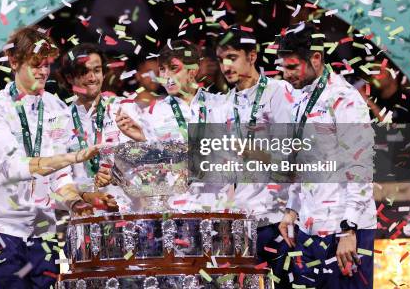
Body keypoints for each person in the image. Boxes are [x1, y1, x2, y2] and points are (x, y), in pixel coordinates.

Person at [0, 26, 101, 289]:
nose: (43, 72)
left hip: (43, 229)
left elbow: (60, 179)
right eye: (35, 65)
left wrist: (78, 203)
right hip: (2, 227)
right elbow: (15, 167)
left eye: (46, 65)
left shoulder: (57, 109)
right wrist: (73, 156)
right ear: (13, 61)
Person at [277, 22, 376, 289]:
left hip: (343, 230)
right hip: (310, 228)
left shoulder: (344, 98)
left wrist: (349, 228)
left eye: (292, 66)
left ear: (316, 58)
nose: (286, 75)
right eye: (282, 67)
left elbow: (361, 166)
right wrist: (291, 210)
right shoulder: (300, 98)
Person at [213, 26, 293, 288]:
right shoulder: (225, 104)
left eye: (232, 57)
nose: (226, 66)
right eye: (221, 59)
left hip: (279, 218)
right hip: (244, 222)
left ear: (252, 56)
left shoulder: (279, 92)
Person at [109, 40, 226, 211]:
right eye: (162, 70)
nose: (166, 76)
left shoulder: (222, 105)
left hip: (219, 207)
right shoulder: (153, 113)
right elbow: (153, 169)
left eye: (173, 68)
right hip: (176, 211)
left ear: (192, 70)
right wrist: (143, 139)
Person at [61, 43, 143, 212]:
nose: (92, 78)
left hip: (130, 215)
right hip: (87, 218)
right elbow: (58, 180)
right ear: (70, 78)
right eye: (83, 72)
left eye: (97, 70)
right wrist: (85, 195)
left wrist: (117, 175)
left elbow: (152, 167)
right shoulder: (60, 121)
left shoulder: (125, 109)